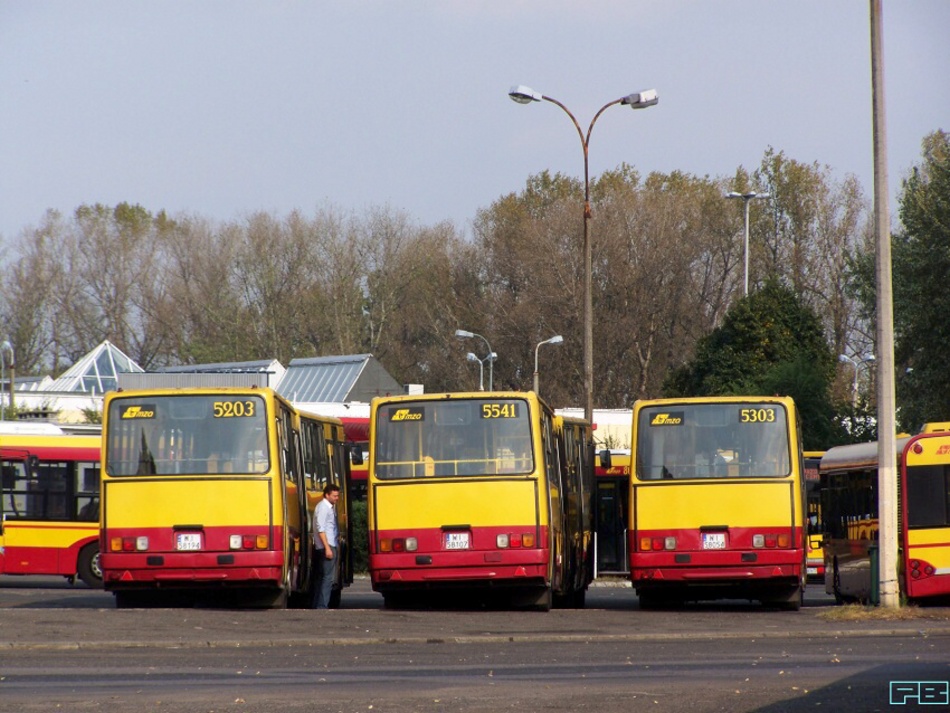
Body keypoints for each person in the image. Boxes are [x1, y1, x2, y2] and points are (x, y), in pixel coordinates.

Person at [312, 483, 341, 609]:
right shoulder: (323, 507)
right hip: (327, 545)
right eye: (334, 496)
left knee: (322, 577)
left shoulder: (327, 507)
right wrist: (327, 548)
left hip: (328, 544)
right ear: (327, 495)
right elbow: (321, 528)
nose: (337, 498)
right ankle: (322, 606)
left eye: (337, 496)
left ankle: (317, 604)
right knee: (327, 578)